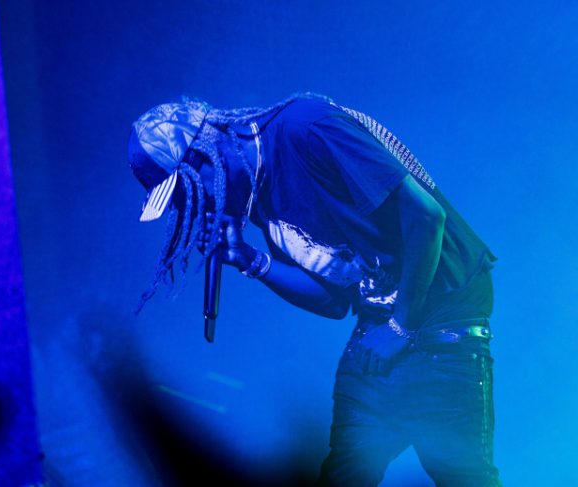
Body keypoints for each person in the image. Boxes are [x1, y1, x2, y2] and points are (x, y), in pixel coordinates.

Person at [127, 92, 501, 486]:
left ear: (205, 157)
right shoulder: (259, 197)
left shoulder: (305, 128)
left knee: (463, 478)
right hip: (380, 329)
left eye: (187, 195)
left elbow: (425, 215)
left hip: (441, 320)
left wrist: (401, 326)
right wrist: (250, 260)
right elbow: (333, 300)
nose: (195, 208)